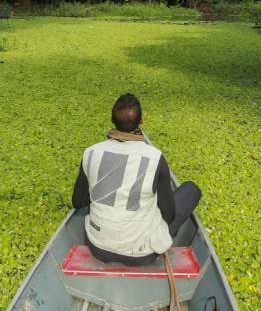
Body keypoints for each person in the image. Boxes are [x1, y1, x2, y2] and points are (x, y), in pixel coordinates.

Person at [71, 93, 202, 265]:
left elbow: (78, 202)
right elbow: (168, 215)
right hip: (142, 253)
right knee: (191, 189)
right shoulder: (155, 158)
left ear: (112, 120)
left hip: (97, 247)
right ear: (142, 121)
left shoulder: (91, 152)